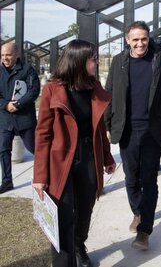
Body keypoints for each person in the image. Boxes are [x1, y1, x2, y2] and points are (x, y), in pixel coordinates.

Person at [33, 39, 116, 267]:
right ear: (78, 60)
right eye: (92, 58)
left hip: (88, 155)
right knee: (62, 214)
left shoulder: (93, 87)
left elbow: (99, 127)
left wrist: (107, 157)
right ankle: (64, 262)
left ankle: (79, 245)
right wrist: (40, 176)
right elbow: (42, 135)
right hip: (61, 159)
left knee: (86, 206)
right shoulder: (52, 89)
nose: (96, 62)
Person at [104, 21, 161, 251]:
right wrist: (107, 124)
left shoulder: (160, 59)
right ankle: (137, 211)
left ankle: (144, 230)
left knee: (149, 180)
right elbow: (109, 93)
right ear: (127, 40)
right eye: (135, 39)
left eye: (143, 39)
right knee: (130, 178)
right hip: (126, 130)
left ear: (149, 38)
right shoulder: (119, 62)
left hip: (152, 130)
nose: (140, 43)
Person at [0, 43, 39, 194]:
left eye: (8, 55)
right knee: (3, 150)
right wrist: (5, 105)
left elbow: (34, 90)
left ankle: (47, 175)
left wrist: (18, 104)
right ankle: (7, 181)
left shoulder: (28, 71)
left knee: (35, 148)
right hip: (5, 119)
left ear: (16, 54)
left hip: (24, 119)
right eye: (3, 55)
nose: (5, 58)